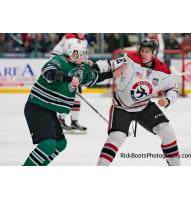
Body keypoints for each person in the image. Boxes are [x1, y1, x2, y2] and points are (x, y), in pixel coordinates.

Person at [23, 38, 126, 166]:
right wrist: (69, 78)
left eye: (83, 53)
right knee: (48, 144)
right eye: (80, 53)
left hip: (48, 110)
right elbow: (48, 72)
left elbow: (93, 78)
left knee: (60, 144)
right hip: (37, 106)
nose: (83, 55)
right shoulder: (59, 60)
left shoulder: (81, 67)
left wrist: (113, 74)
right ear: (72, 53)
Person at [96, 39, 180, 166]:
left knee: (167, 131)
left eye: (147, 51)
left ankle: (175, 166)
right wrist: (92, 67)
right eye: (142, 50)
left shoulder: (162, 70)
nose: (143, 54)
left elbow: (173, 88)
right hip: (121, 107)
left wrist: (168, 99)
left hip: (144, 106)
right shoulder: (130, 59)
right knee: (117, 137)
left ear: (154, 53)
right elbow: (109, 64)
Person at [51, 33, 89, 134]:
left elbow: (83, 57)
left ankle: (74, 121)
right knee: (67, 96)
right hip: (66, 72)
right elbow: (55, 52)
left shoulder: (84, 40)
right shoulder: (68, 37)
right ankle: (61, 119)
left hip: (76, 73)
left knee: (77, 98)